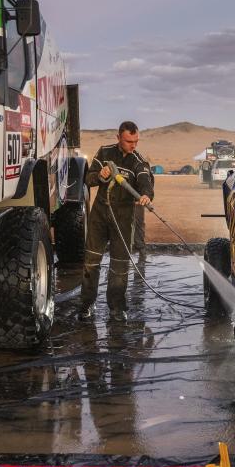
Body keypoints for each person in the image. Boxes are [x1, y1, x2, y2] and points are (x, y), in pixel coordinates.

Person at [80, 121, 153, 321]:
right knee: (91, 262)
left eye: (136, 141)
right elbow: (88, 179)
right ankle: (86, 305)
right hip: (100, 215)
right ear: (118, 137)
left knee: (120, 265)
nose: (133, 145)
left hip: (123, 218)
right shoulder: (104, 152)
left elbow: (145, 180)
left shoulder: (138, 161)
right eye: (129, 141)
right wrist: (101, 175)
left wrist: (146, 195)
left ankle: (117, 309)